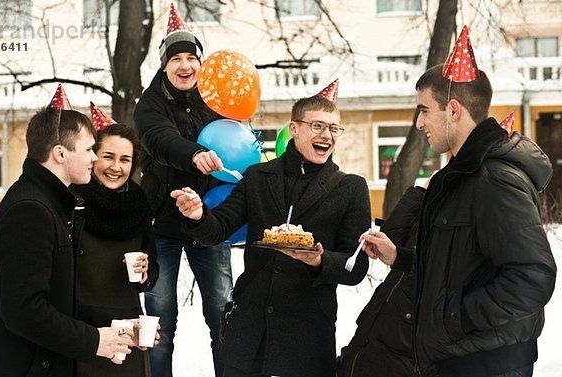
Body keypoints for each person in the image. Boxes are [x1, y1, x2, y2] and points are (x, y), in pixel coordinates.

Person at [361, 60, 557, 376]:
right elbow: (457, 267)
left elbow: (533, 277)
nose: (419, 123)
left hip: (487, 365)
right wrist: (400, 258)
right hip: (455, 361)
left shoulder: (494, 179)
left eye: (424, 110)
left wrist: (455, 319)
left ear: (453, 110)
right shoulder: (458, 177)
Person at [171, 81, 372, 377]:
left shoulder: (350, 188)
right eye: (317, 126)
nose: (326, 135)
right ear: (294, 128)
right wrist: (198, 214)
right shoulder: (257, 177)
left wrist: (318, 260)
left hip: (306, 340)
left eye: (333, 128)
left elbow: (356, 267)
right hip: (249, 334)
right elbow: (217, 229)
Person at [0, 101, 134, 376]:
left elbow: (57, 301)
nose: (94, 158)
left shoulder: (51, 204)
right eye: (89, 149)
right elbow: (24, 311)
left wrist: (114, 326)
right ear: (60, 153)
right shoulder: (30, 210)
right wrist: (93, 341)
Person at [133, 4, 232, 377]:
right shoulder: (150, 104)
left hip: (209, 224)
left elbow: (237, 143)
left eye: (192, 57)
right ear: (164, 66)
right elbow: (160, 140)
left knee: (224, 312)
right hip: (162, 228)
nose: (185, 65)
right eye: (176, 58)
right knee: (160, 321)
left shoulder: (218, 100)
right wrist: (196, 154)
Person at [71, 105, 160, 377]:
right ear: (92, 157)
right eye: (108, 156)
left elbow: (152, 268)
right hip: (84, 330)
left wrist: (146, 272)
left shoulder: (139, 204)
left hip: (128, 328)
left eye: (125, 160)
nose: (116, 167)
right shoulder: (72, 201)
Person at [338, 184, 425, 377]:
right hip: (370, 336)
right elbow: (393, 236)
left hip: (404, 345)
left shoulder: (474, 197)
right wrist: (421, 189)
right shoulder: (435, 196)